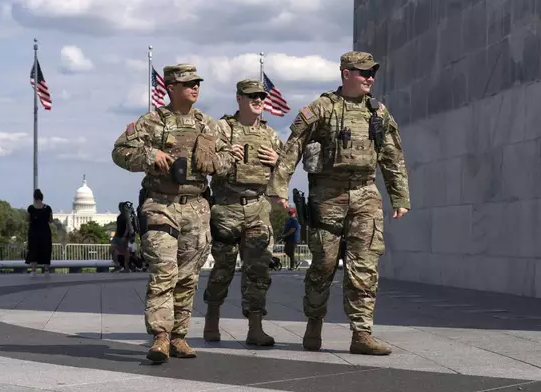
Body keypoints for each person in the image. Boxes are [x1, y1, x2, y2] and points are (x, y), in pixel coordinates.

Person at [266, 51, 410, 356]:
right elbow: (293, 146)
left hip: (366, 194)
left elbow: (392, 156)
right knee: (323, 265)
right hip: (327, 196)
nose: (370, 78)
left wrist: (400, 197)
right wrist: (279, 186)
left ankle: (362, 333)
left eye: (372, 73)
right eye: (363, 73)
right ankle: (314, 324)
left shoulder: (378, 113)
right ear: (346, 73)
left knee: (365, 267)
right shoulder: (322, 108)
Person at [111, 64, 236, 363]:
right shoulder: (152, 122)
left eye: (197, 83)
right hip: (160, 205)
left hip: (197, 207)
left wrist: (215, 162)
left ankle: (179, 336)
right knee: (164, 271)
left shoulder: (209, 124)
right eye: (188, 83)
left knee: (188, 277)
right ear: (171, 88)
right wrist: (149, 155)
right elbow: (119, 151)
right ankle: (160, 336)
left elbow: (231, 158)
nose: (195, 87)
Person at [202, 79, 283, 346]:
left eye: (261, 96)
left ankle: (255, 328)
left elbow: (284, 171)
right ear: (239, 99)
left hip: (258, 208)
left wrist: (277, 162)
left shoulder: (270, 134)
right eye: (252, 96)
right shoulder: (222, 128)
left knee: (258, 270)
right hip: (227, 207)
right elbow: (207, 164)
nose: (258, 100)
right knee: (223, 268)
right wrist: (226, 155)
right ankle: (211, 322)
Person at [26, 189, 53, 277]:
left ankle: (34, 271)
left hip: (33, 233)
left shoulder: (31, 208)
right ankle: (46, 271)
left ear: (34, 197)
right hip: (45, 232)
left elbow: (27, 219)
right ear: (42, 197)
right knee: (46, 250)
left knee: (33, 250)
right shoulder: (48, 208)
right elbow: (51, 220)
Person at [111, 202, 133, 272]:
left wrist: (125, 236)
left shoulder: (126, 217)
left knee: (125, 251)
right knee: (113, 249)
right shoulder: (119, 217)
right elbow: (118, 228)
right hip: (117, 236)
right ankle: (117, 265)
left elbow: (128, 227)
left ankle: (126, 266)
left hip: (123, 236)